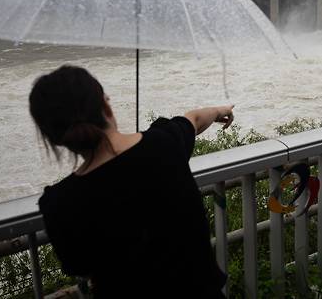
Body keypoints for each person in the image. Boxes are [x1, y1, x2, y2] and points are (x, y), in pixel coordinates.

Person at [30, 65, 232, 298]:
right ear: (106, 105)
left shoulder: (58, 204)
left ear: (54, 139)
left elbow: (79, 266)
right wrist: (220, 110)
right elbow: (194, 119)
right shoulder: (164, 144)